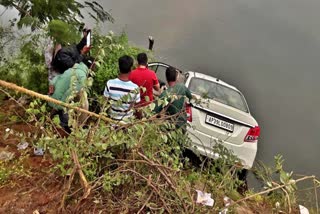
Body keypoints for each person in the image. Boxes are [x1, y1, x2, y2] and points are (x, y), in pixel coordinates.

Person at [49, 56, 94, 133]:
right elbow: (69, 93)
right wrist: (60, 105)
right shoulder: (82, 76)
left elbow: (56, 78)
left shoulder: (71, 69)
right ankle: (78, 127)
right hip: (60, 103)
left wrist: (52, 85)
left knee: (81, 95)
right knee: (84, 100)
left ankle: (54, 118)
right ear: (92, 66)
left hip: (53, 98)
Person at [104, 55, 140, 121]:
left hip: (111, 119)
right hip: (127, 122)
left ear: (119, 67)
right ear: (131, 69)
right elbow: (136, 107)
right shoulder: (135, 88)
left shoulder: (110, 84)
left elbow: (104, 103)